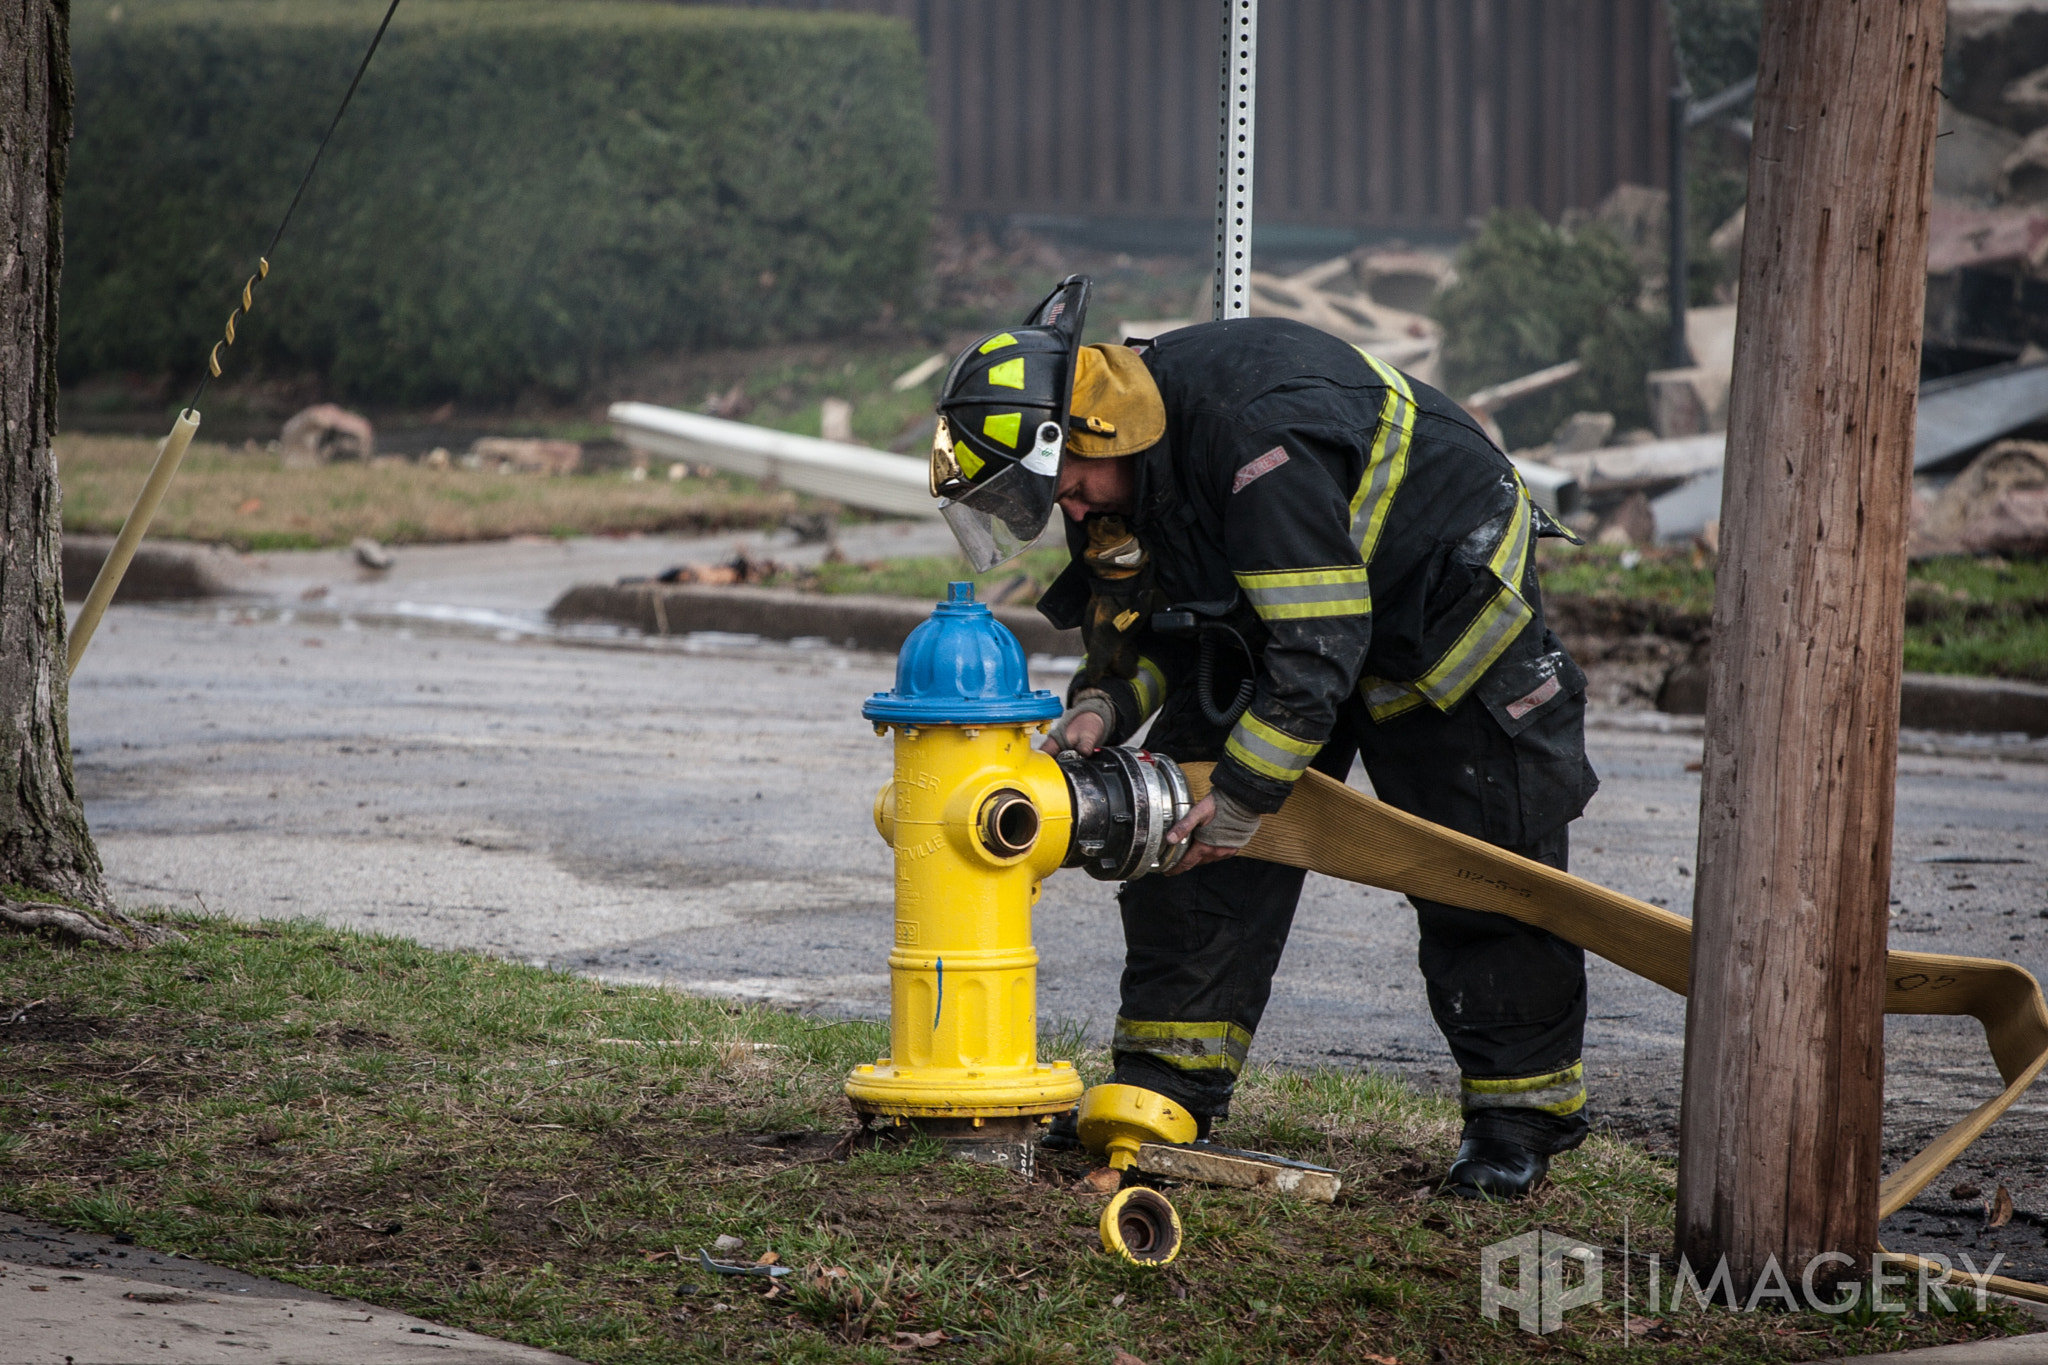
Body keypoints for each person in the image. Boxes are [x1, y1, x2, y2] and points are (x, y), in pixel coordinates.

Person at [927, 276, 1599, 1198]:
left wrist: (1245, 795)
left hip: (1438, 631)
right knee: (1184, 846)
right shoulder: (1118, 457)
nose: (1072, 510)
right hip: (1288, 635)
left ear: (1090, 434)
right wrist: (1104, 707)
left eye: (1068, 488)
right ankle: (1166, 1089)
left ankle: (1517, 1123)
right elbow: (1148, 619)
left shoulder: (1256, 436)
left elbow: (1320, 644)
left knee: (1477, 872)